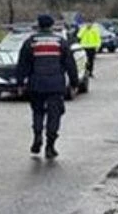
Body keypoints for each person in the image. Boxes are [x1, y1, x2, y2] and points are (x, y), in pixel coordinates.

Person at [16, 14, 79, 159]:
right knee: (54, 115)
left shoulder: (31, 42)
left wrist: (20, 83)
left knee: (37, 112)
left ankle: (37, 135)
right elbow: (70, 64)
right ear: (51, 26)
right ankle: (50, 145)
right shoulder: (60, 42)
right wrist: (74, 83)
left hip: (36, 84)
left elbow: (23, 64)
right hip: (55, 84)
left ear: (38, 25)